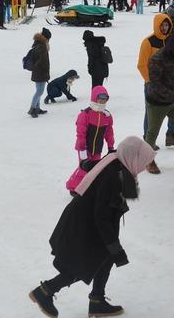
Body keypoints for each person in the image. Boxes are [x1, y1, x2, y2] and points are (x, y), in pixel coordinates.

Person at [29, 136, 156, 318]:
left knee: (103, 258)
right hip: (85, 226)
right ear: (133, 158)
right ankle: (44, 292)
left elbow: (91, 167)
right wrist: (114, 245)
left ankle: (97, 301)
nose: (144, 167)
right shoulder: (114, 176)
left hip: (87, 221)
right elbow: (101, 216)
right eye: (143, 161)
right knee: (82, 264)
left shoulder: (115, 160)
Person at [144, 33, 174, 174]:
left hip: (173, 100)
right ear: (171, 48)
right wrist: (172, 96)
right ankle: (147, 160)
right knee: (152, 132)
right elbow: (156, 84)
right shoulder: (156, 59)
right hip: (157, 101)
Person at [137, 14, 174, 153]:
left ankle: (171, 135)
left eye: (167, 25)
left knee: (173, 109)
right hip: (152, 84)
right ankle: (148, 140)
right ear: (157, 25)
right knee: (151, 112)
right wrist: (150, 81)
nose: (165, 28)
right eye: (163, 25)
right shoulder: (148, 42)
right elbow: (142, 65)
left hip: (169, 84)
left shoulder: (171, 41)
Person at [65, 86, 115, 192]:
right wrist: (82, 146)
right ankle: (73, 187)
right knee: (84, 168)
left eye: (105, 99)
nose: (102, 101)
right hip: (84, 147)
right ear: (94, 98)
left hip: (97, 148)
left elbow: (109, 132)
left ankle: (90, 187)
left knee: (95, 169)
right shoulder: (85, 114)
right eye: (100, 98)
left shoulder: (107, 116)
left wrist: (110, 146)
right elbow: (80, 132)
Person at [28, 28, 51, 118]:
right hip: (40, 72)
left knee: (39, 90)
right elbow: (43, 61)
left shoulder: (38, 44)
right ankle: (32, 108)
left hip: (37, 71)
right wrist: (46, 72)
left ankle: (37, 107)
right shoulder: (42, 46)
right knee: (39, 91)